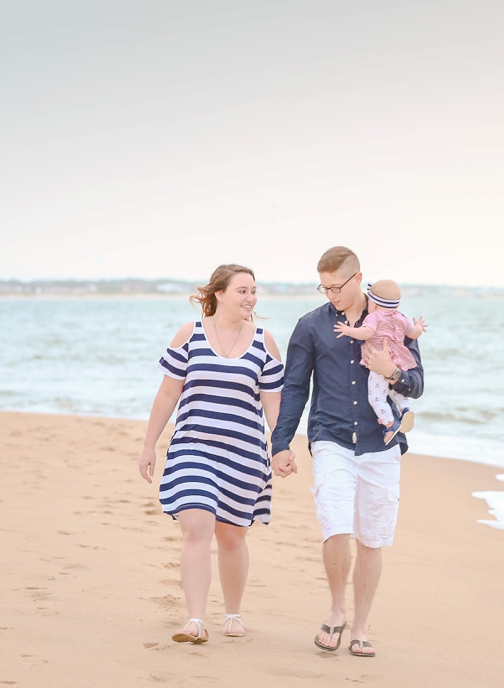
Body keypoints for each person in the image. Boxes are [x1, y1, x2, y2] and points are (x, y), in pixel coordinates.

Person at [270, 247, 424, 657]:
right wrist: (280, 443)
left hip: (381, 443)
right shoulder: (310, 326)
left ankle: (360, 627)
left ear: (358, 279)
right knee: (336, 526)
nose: (330, 294)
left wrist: (389, 372)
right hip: (331, 436)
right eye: (324, 287)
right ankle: (337, 610)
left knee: (371, 539)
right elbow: (295, 389)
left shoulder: (393, 324)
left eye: (337, 286)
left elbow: (417, 384)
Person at [138, 264, 284, 645]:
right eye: (242, 290)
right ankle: (195, 620)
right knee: (197, 526)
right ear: (219, 294)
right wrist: (148, 444)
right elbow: (168, 393)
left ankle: (232, 613)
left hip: (244, 454)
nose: (251, 298)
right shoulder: (191, 334)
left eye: (254, 291)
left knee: (233, 536)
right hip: (193, 446)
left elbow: (273, 402)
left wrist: (281, 446)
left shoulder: (264, 341)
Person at [334, 279, 427, 444]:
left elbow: (367, 333)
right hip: (398, 360)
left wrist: (348, 330)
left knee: (376, 398)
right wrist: (418, 325)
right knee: (393, 388)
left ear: (374, 305)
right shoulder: (400, 317)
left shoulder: (374, 316)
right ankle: (405, 409)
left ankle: (389, 424)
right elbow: (413, 333)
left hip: (378, 361)